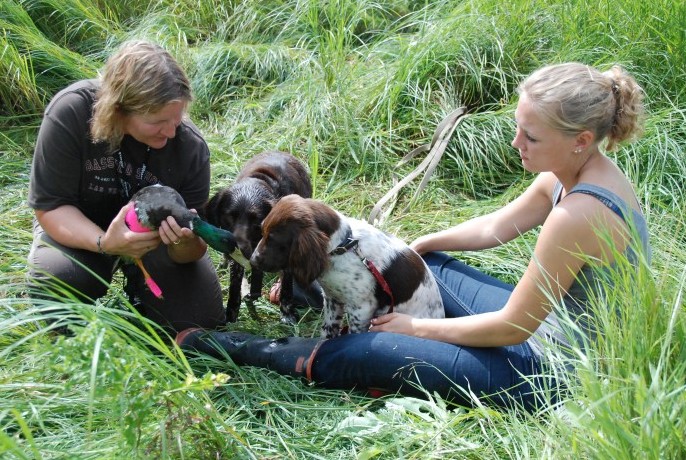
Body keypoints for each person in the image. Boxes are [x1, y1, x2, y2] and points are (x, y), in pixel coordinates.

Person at [175, 62, 650, 410]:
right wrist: (420, 244)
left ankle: (240, 348)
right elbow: (494, 227)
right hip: (552, 324)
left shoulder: (578, 215)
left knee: (367, 350)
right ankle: (312, 290)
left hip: (555, 369)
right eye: (517, 128)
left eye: (531, 136)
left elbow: (513, 328)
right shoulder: (577, 173)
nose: (515, 143)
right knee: (422, 266)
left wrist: (417, 329)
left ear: (579, 139)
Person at [27, 40, 226, 335]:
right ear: (118, 110)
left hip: (156, 243)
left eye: (177, 118)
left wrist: (182, 243)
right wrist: (104, 243)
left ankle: (142, 288)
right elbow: (51, 206)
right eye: (158, 121)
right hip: (82, 229)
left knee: (199, 321)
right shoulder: (70, 113)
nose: (171, 132)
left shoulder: (189, 148)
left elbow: (194, 248)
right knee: (58, 282)